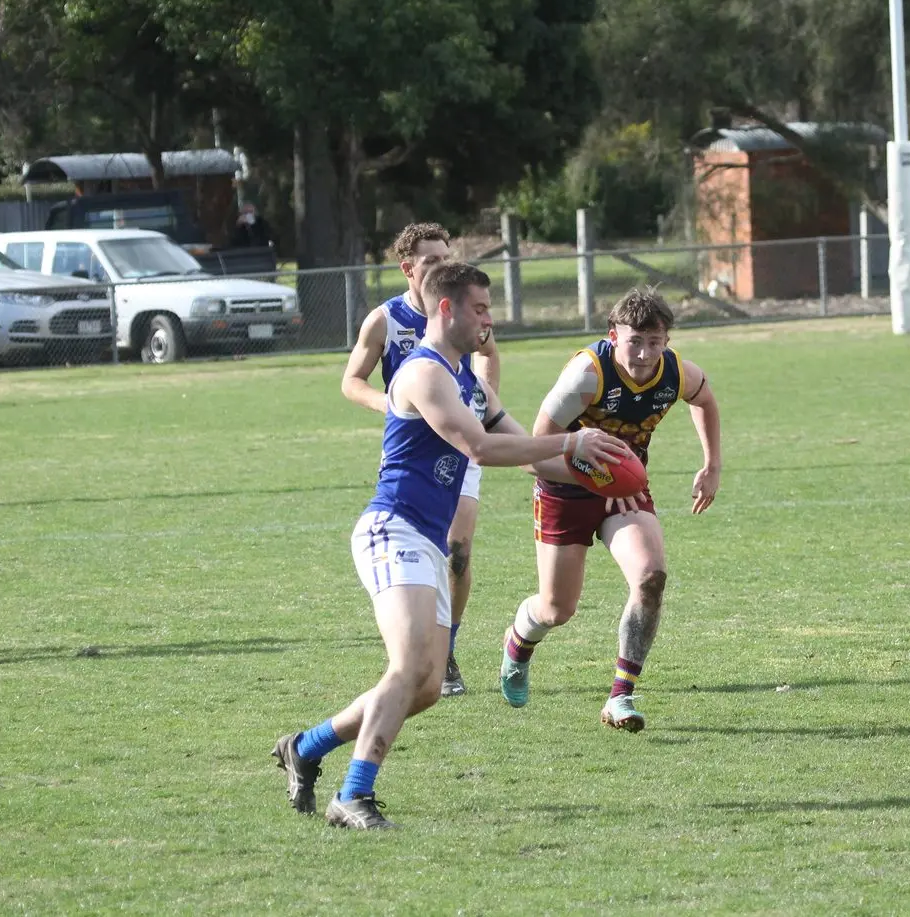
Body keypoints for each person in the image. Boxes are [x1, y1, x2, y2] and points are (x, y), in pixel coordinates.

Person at [273, 262, 627, 829]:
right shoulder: (422, 374)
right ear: (447, 309)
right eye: (480, 308)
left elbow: (531, 453)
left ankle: (306, 747)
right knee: (408, 665)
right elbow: (482, 449)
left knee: (427, 687)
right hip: (393, 529)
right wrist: (572, 438)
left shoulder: (472, 384)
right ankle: (353, 796)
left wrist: (595, 475)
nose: (489, 319)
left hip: (426, 544)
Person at [498, 286, 722, 733]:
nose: (643, 354)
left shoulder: (676, 372)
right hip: (564, 487)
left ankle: (622, 695)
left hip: (626, 491)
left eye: (654, 343)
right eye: (634, 341)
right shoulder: (588, 375)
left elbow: (705, 400)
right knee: (557, 609)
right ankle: (519, 642)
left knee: (651, 577)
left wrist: (712, 464)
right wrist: (596, 478)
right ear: (613, 335)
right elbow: (531, 455)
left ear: (667, 343)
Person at [341, 222, 501, 698]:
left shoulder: (462, 312)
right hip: (415, 445)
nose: (443, 265)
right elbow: (351, 380)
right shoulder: (385, 320)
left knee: (458, 548)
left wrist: (486, 401)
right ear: (408, 267)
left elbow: (489, 352)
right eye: (432, 260)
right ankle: (419, 646)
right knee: (421, 533)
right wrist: (388, 402)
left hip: (464, 436)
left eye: (446, 256)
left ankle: (445, 648)